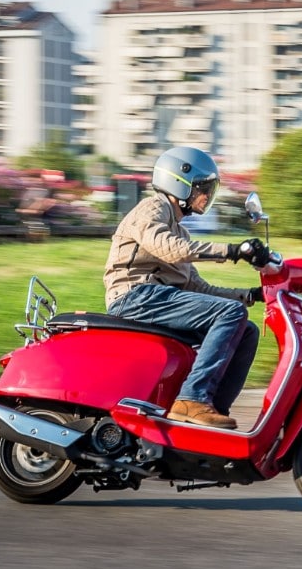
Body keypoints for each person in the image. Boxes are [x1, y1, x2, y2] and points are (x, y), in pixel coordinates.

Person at [103, 146, 270, 430]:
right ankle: (192, 399)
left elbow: (196, 286)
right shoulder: (152, 208)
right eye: (201, 188)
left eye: (209, 189)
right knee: (230, 314)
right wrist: (233, 250)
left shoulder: (180, 230)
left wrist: (249, 295)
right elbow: (169, 249)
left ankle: (211, 409)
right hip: (135, 295)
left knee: (246, 329)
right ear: (178, 183)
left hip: (159, 297)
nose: (206, 196)